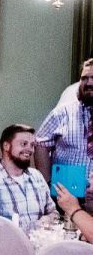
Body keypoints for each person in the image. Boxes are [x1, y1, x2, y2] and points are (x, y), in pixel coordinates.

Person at [0, 123, 55, 233]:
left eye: (32, 145)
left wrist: (46, 220)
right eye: (24, 144)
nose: (30, 149)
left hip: (40, 241)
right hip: (5, 243)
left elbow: (53, 212)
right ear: (6, 146)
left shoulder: (37, 176)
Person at [34, 58, 93, 198]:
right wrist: (47, 183)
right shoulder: (63, 112)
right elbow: (40, 143)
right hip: (67, 194)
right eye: (84, 78)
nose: (89, 83)